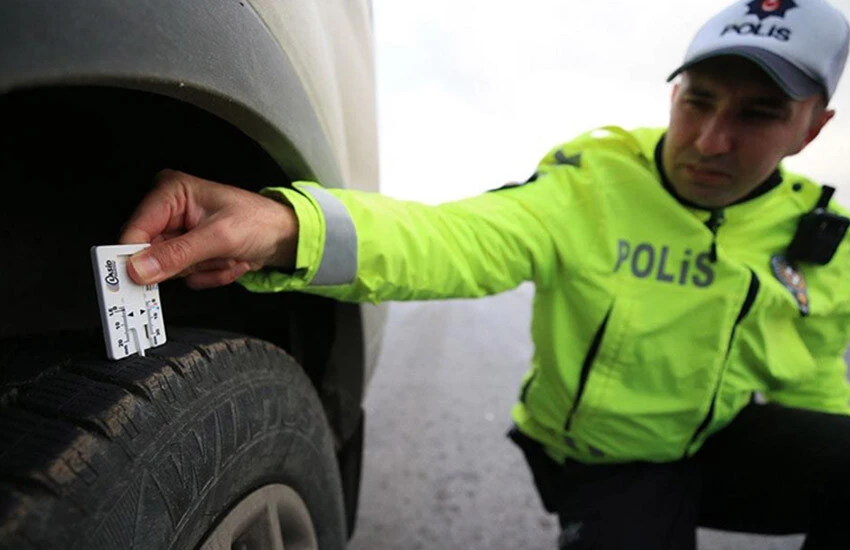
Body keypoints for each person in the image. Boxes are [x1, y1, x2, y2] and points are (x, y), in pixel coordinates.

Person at [120, 0, 850, 548]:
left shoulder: (817, 234)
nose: (713, 140)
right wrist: (287, 227)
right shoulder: (590, 185)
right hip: (612, 463)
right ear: (673, 93)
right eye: (698, 100)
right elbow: (454, 238)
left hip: (719, 442)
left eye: (759, 113)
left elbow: (814, 378)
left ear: (812, 127)